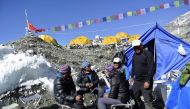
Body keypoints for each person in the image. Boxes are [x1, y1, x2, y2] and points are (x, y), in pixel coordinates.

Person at [130, 40, 155, 109]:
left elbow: (152, 68)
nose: (136, 49)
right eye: (135, 47)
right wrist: (132, 76)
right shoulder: (134, 56)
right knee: (134, 95)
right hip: (137, 81)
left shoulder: (147, 54)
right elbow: (134, 67)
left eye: (138, 47)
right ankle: (141, 107)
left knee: (147, 100)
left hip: (145, 80)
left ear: (141, 46)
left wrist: (148, 81)